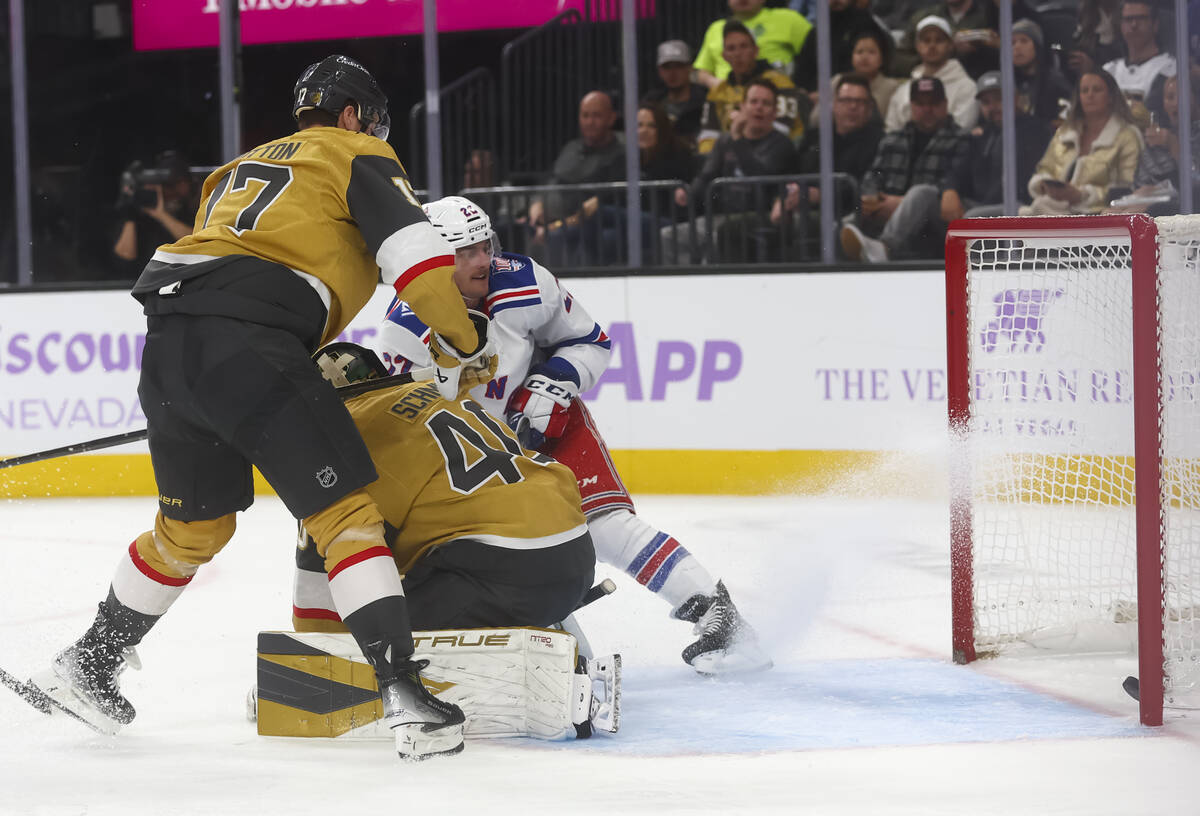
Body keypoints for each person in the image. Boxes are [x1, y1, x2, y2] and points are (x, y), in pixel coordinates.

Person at [28, 55, 492, 762]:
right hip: (248, 342)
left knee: (191, 531)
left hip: (170, 344)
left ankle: (87, 664)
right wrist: (465, 337)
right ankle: (405, 696)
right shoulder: (356, 151)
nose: (372, 131)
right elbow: (419, 262)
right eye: (368, 119)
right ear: (349, 115)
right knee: (347, 517)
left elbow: (255, 264)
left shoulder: (234, 170)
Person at [378, 196, 773, 676]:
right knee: (511, 554)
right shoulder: (404, 330)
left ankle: (713, 609)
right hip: (474, 458)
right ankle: (565, 660)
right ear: (434, 261)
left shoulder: (524, 279)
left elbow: (591, 341)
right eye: (465, 253)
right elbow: (409, 424)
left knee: (606, 525)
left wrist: (556, 382)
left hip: (544, 424)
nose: (483, 260)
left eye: (485, 245)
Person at [292, 345, 595, 636]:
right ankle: (553, 627)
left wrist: (325, 660)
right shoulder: (440, 391)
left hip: (501, 577)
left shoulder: (345, 439)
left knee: (373, 621)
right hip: (577, 556)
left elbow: (319, 604)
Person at [668, 77, 798, 264]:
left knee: (717, 237)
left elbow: (759, 177)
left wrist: (738, 140)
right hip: (720, 216)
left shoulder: (781, 145)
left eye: (766, 103)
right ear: (742, 106)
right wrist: (688, 192)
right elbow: (708, 174)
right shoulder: (725, 141)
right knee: (669, 235)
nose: (759, 108)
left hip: (758, 218)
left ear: (775, 112)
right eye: (753, 102)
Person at [841, 76, 970, 262]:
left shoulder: (961, 139)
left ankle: (884, 248)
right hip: (885, 210)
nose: (927, 110)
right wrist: (871, 197)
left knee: (921, 193)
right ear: (911, 106)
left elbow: (957, 180)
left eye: (933, 103)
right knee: (841, 225)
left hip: (936, 216)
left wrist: (901, 203)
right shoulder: (892, 139)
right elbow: (873, 176)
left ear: (945, 105)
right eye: (920, 104)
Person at [1023, 69, 1143, 215]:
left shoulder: (1127, 135)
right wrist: (1044, 186)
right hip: (1055, 207)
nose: (1090, 95)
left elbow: (1128, 187)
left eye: (1097, 90)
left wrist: (1082, 195)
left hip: (1101, 214)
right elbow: (1044, 170)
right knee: (1039, 206)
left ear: (1111, 96)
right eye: (1084, 90)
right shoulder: (1065, 132)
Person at [526, 90, 626, 266]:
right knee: (507, 228)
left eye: (596, 116)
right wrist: (536, 204)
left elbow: (594, 205)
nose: (590, 122)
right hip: (546, 219)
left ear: (611, 118)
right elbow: (550, 179)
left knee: (556, 237)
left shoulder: (620, 152)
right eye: (585, 115)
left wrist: (552, 227)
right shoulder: (571, 148)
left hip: (580, 223)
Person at [775, 74, 883, 235]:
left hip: (846, 215)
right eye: (846, 100)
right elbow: (790, 171)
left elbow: (866, 187)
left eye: (860, 102)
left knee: (803, 224)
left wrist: (821, 195)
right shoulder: (814, 137)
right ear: (834, 105)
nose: (852, 107)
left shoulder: (878, 142)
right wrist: (781, 198)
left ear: (869, 108)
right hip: (799, 207)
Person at [939, 71, 1053, 219]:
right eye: (986, 102)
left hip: (1019, 207)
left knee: (972, 217)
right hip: (980, 206)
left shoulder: (1035, 131)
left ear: (1015, 97)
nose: (993, 107)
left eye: (999, 99)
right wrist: (950, 190)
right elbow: (958, 170)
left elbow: (1022, 183)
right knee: (923, 195)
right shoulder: (983, 135)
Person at [696, 21, 806, 154]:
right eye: (731, 48)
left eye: (744, 46)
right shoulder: (718, 92)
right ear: (724, 56)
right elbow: (708, 137)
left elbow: (783, 129)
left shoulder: (780, 83)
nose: (738, 53)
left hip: (775, 156)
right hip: (730, 161)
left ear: (756, 50)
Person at [1111, 74, 1200, 213]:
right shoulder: (1160, 134)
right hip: (1155, 200)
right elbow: (1141, 183)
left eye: (1179, 96)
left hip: (1187, 206)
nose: (1174, 104)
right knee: (1110, 213)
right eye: (1169, 98)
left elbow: (1195, 181)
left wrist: (1173, 145)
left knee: (1132, 214)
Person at [110, 151, 199, 279]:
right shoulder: (136, 218)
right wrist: (132, 212)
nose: (171, 191)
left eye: (177, 184)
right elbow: (125, 258)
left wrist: (162, 215)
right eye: (166, 186)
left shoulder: (192, 211)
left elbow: (197, 244)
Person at [886, 16, 978, 133]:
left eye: (939, 40)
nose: (932, 46)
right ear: (918, 46)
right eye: (926, 40)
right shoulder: (903, 90)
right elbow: (892, 131)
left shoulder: (967, 88)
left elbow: (962, 129)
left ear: (950, 45)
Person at [693, 0, 813, 90]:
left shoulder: (788, 19)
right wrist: (716, 84)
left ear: (756, 50)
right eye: (731, 48)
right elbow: (702, 71)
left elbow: (818, 52)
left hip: (778, 94)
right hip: (727, 100)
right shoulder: (715, 28)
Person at [1101, 0, 1177, 129]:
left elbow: (1155, 116)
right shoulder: (1109, 70)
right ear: (1121, 25)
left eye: (1141, 19)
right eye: (1128, 19)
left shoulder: (1170, 68)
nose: (1134, 25)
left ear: (1155, 24)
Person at [643, 40, 709, 150]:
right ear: (659, 71)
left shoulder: (705, 100)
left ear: (690, 68)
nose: (672, 73)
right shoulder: (651, 102)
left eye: (678, 66)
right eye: (666, 67)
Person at [1012, 18, 1072, 128]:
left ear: (1037, 46)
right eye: (1012, 43)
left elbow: (1065, 122)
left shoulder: (1055, 82)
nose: (1017, 47)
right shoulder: (1008, 83)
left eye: (1024, 41)